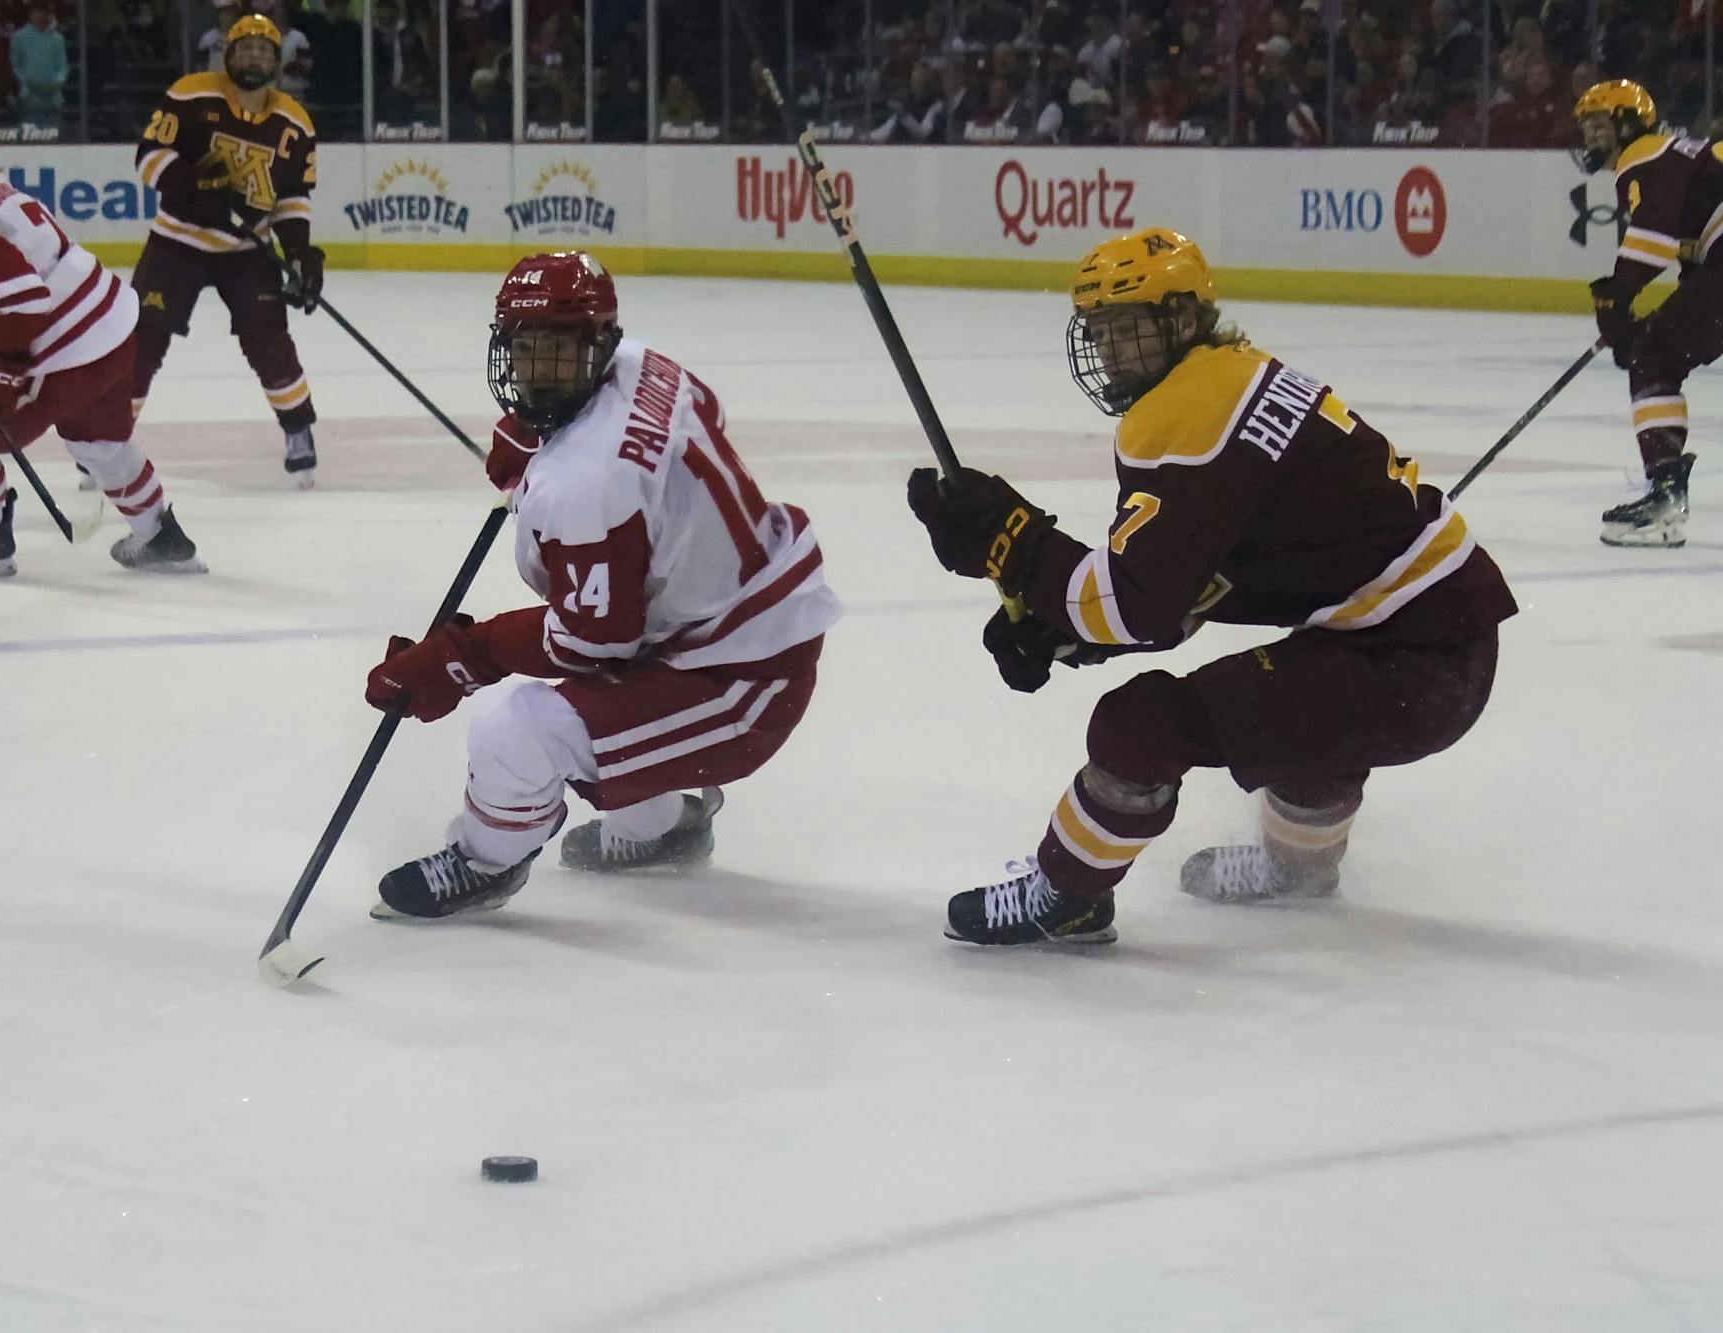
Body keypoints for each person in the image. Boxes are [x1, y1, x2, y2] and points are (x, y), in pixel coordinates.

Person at [905, 228, 1515, 946]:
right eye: (1099, 332)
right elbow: (1194, 582)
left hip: (1415, 661)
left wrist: (1013, 543)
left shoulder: (1187, 413)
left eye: (1127, 330)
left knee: (1142, 723)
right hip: (1428, 643)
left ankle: (1066, 894)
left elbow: (1135, 604)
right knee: (1308, 707)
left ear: (1185, 320)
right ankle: (1302, 872)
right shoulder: (1231, 376)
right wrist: (1064, 623)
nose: (1108, 351)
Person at [365, 252, 842, 919]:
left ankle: (484, 861)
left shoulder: (587, 485)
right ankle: (667, 824)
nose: (537, 370)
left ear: (597, 347)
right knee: (604, 727)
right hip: (722, 623)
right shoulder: (644, 363)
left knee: (515, 730)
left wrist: (464, 653)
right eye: (524, 349)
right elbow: (700, 416)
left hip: (742, 682)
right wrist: (542, 437)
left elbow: (595, 638)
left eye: (557, 353)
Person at [0, 110, 205, 578]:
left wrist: (3, 371)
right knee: (98, 440)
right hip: (112, 322)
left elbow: (20, 292)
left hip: (66, 341)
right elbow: (17, 255)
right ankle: (160, 535)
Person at [130, 15, 325, 485]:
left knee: (269, 342)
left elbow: (293, 197)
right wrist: (194, 187)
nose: (254, 56)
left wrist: (299, 252)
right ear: (228, 53)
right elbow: (150, 157)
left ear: (277, 63)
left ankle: (299, 429)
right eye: (246, 47)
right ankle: (109, 435)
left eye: (265, 50)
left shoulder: (294, 123)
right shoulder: (193, 93)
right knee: (141, 341)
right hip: (176, 242)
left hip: (245, 249)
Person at [1574, 79, 1715, 547]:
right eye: (1587, 127)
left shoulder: (1644, 154)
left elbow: (1653, 238)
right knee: (1658, 344)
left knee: (1653, 355)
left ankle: (1666, 497)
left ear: (1629, 123)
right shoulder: (1682, 156)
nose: (1591, 136)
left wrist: (1617, 297)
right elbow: (1692, 259)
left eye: (1599, 124)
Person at [10, 3, 66, 131]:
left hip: (52, 98)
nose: (40, 15)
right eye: (37, 11)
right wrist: (27, 82)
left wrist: (56, 83)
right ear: (30, 14)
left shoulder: (58, 39)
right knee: (29, 134)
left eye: (43, 11)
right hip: (29, 96)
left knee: (53, 135)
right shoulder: (19, 37)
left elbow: (62, 66)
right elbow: (15, 65)